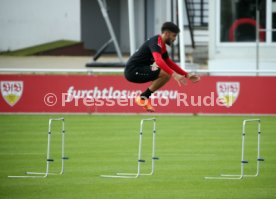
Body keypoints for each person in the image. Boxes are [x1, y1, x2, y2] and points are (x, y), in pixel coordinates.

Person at [124, 21, 200, 112]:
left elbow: (169, 63)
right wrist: (175, 75)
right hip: (132, 70)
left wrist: (186, 75)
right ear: (167, 34)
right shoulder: (156, 41)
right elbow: (159, 61)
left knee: (166, 73)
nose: (175, 39)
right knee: (166, 74)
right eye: (174, 35)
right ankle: (143, 98)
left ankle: (143, 98)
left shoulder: (161, 45)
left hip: (139, 69)